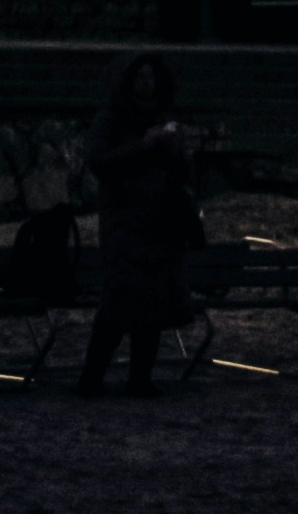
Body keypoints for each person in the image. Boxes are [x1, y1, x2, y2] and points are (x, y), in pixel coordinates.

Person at [77, 54, 204, 395]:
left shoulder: (163, 119)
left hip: (160, 223)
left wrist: (176, 151)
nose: (146, 83)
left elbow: (183, 174)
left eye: (151, 77)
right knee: (119, 301)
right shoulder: (111, 120)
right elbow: (100, 163)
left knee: (154, 303)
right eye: (141, 77)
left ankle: (139, 378)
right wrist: (143, 146)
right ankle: (92, 378)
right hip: (124, 222)